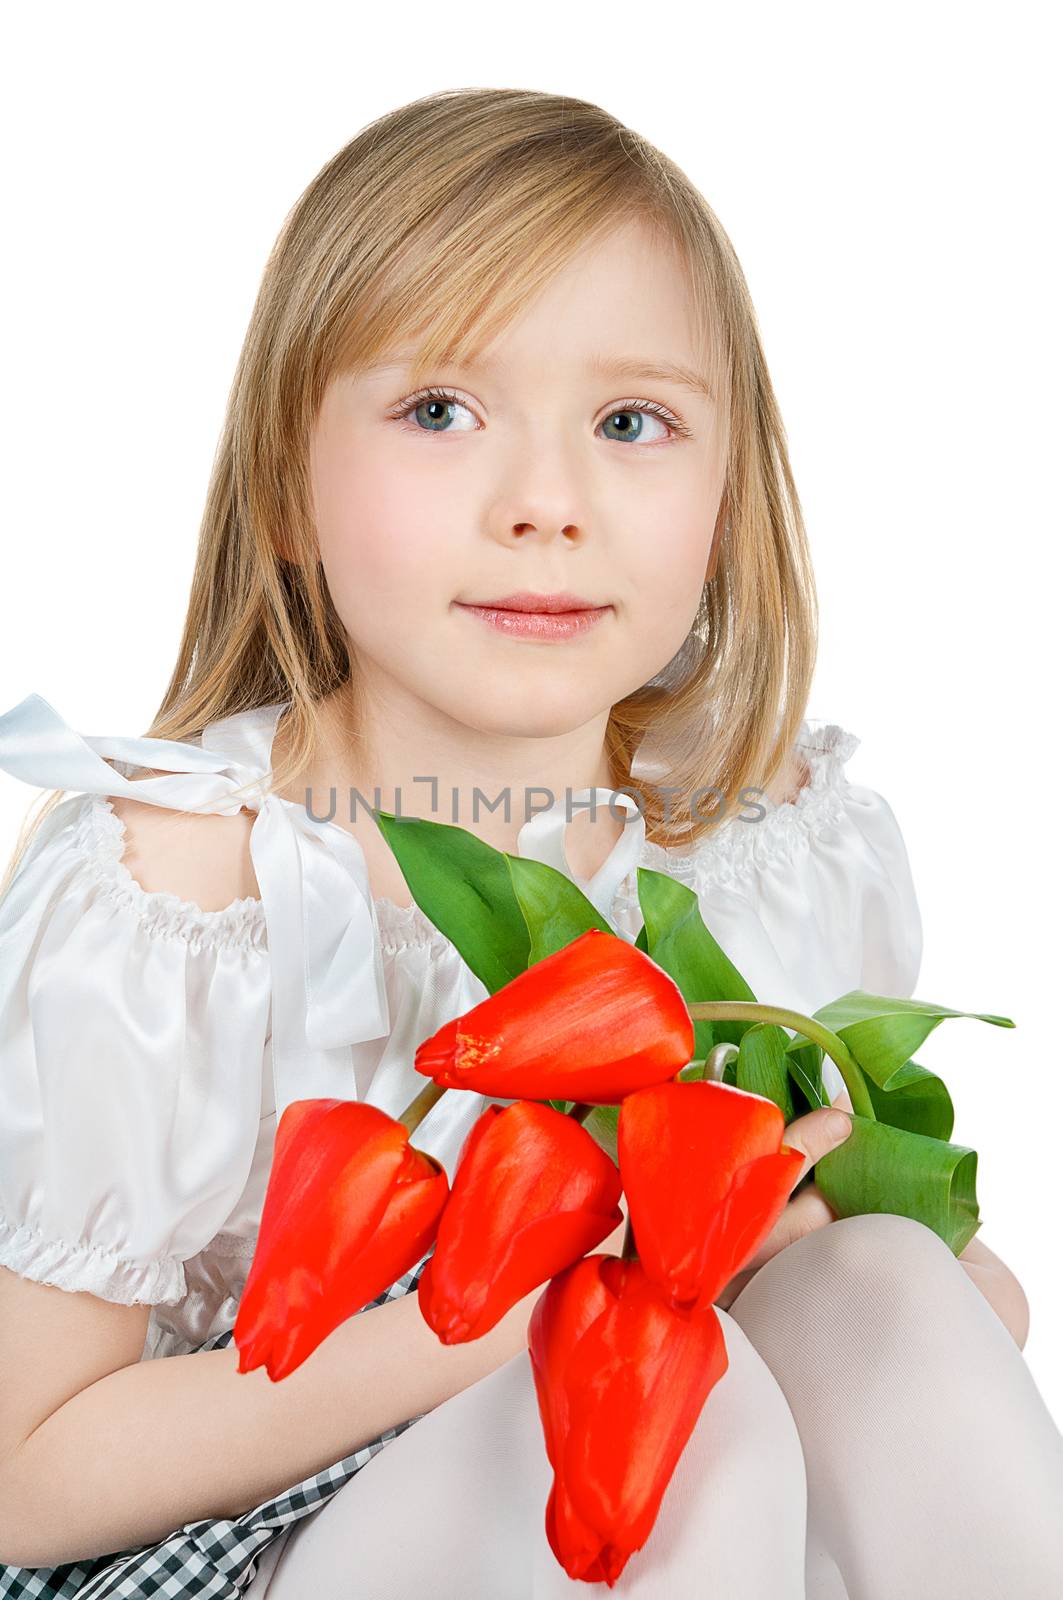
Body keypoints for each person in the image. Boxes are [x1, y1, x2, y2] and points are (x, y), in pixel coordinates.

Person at [0, 85, 1058, 1600]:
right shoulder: (177, 884)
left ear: (725, 497)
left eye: (632, 423)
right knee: (659, 1413)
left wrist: (804, 1237)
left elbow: (971, 1322)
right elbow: (24, 1481)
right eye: (440, 412)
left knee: (874, 1288)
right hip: (218, 1539)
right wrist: (500, 1316)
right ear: (287, 489)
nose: (547, 503)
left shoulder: (767, 848)